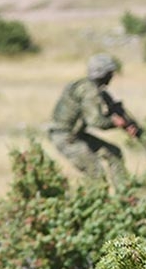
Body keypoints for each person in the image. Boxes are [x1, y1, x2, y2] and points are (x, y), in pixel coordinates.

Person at [47, 53, 140, 186]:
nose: (112, 76)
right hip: (66, 137)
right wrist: (115, 123)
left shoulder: (94, 89)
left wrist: (128, 124)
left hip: (75, 135)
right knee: (96, 174)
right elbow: (95, 121)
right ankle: (97, 202)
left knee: (114, 153)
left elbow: (112, 108)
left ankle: (124, 194)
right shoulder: (89, 90)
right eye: (110, 73)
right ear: (103, 74)